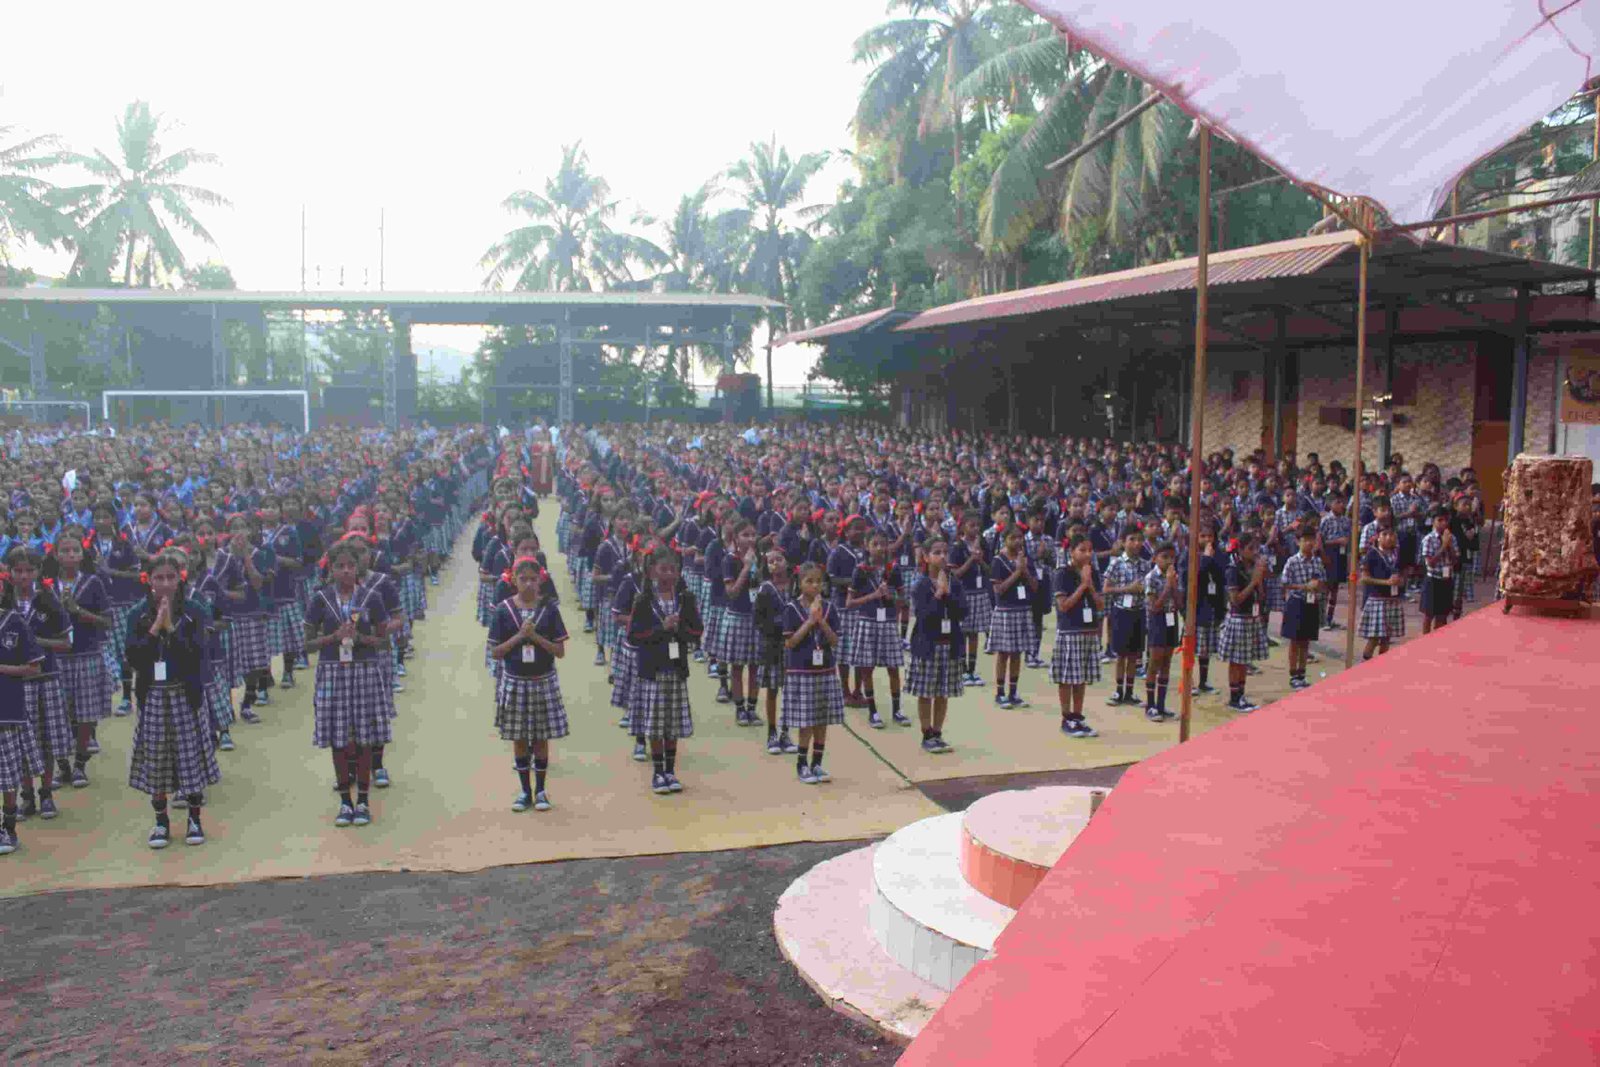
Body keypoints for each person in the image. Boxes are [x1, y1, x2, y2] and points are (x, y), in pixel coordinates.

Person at [124, 549, 219, 849]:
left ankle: (194, 819)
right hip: (153, 693)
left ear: (180, 579)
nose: (165, 583)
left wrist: (172, 628)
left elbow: (198, 654)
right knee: (157, 758)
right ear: (149, 580)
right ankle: (161, 821)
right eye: (158, 578)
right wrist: (156, 628)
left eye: (170, 577)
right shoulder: (138, 613)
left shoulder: (194, 611)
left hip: (184, 692)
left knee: (189, 757)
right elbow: (134, 657)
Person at [303, 538, 391, 829]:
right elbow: (308, 644)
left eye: (350, 565)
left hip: (364, 670)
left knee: (364, 738)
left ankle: (363, 801)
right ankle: (344, 801)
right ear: (330, 569)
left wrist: (360, 638)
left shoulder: (371, 597)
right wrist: (334, 637)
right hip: (332, 671)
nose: (345, 571)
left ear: (358, 568)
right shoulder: (320, 599)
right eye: (339, 566)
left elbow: (384, 642)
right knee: (339, 740)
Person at [488, 556, 569, 813]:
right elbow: (496, 652)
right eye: (523, 579)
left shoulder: (549, 609)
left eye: (533, 579)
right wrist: (520, 636)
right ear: (513, 580)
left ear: (541, 580)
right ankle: (524, 791)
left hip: (543, 679)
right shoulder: (503, 610)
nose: (528, 584)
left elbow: (559, 651)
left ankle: (541, 790)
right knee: (520, 737)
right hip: (515, 681)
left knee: (541, 736)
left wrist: (534, 637)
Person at [627, 545, 702, 795]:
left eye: (672, 569)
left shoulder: (686, 599)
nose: (668, 574)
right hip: (653, 671)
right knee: (656, 724)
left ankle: (670, 770)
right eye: (663, 569)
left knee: (673, 723)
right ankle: (658, 772)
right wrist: (661, 629)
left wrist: (679, 630)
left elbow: (697, 630)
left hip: (676, 669)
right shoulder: (643, 600)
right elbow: (634, 635)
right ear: (651, 572)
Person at [53, 534, 115, 781]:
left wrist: (77, 611)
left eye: (75, 550)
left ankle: (80, 764)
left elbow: (107, 621)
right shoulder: (46, 585)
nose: (70, 555)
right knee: (57, 714)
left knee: (85, 714)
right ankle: (62, 766)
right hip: (57, 658)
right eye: (64, 550)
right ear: (55, 555)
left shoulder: (93, 582)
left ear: (82, 554)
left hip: (87, 654)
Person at [781, 562, 846, 784]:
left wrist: (821, 621)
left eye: (819, 581)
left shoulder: (830, 608)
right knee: (806, 720)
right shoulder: (791, 608)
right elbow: (790, 642)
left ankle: (817, 763)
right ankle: (801, 764)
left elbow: (835, 640)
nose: (815, 585)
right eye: (809, 581)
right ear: (800, 584)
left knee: (821, 719)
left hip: (825, 670)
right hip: (802, 671)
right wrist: (810, 621)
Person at [842, 528, 907, 727]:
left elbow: (903, 600)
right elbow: (849, 603)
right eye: (875, 544)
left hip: (888, 623)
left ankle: (897, 710)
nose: (880, 548)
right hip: (867, 622)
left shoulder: (894, 569)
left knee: (893, 668)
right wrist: (873, 596)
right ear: (867, 546)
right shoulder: (860, 570)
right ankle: (873, 712)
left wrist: (891, 597)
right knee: (867, 668)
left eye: (883, 544)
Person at [906, 537, 964, 753]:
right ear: (926, 557)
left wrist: (948, 594)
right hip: (928, 645)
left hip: (950, 643)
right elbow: (923, 616)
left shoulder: (954, 582)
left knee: (943, 691)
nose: (942, 556)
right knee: (926, 691)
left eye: (945, 552)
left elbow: (963, 611)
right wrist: (938, 594)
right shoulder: (920, 584)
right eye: (937, 552)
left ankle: (938, 733)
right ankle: (927, 733)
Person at [0, 596, 45, 855]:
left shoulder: (14, 621)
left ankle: (9, 828)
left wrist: (2, 668)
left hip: (7, 710)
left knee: (7, 776)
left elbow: (34, 667)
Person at [1050, 534, 1102, 737]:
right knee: (1067, 677)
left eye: (1090, 550)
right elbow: (1063, 606)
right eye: (1082, 550)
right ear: (1071, 552)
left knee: (1081, 678)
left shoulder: (1093, 572)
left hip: (1089, 630)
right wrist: (1082, 585)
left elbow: (1100, 604)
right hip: (1069, 632)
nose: (1087, 554)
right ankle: (1066, 718)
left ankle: (1078, 717)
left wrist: (1090, 584)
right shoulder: (1062, 573)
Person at [713, 520, 762, 726]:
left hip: (755, 618)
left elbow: (758, 587)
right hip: (737, 617)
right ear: (736, 538)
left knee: (755, 666)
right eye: (745, 535)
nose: (750, 539)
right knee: (737, 666)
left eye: (753, 535)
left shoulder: (759, 557)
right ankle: (740, 708)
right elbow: (731, 592)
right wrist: (747, 567)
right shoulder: (729, 560)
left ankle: (752, 708)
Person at [753, 548, 798, 755]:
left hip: (794, 645)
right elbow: (758, 620)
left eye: (779, 559)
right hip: (772, 645)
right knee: (772, 690)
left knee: (789, 691)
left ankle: (785, 733)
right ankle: (772, 733)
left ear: (787, 562)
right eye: (771, 561)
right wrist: (776, 628)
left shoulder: (796, 585)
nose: (775, 563)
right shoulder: (765, 589)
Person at [1217, 532, 1268, 712]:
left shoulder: (1253, 567)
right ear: (1240, 549)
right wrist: (1254, 582)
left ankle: (1241, 694)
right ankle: (1234, 697)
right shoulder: (1233, 569)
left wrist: (1259, 581)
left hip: (1251, 617)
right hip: (1238, 619)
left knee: (1245, 660)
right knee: (1236, 660)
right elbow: (1235, 600)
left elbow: (1261, 597)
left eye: (1257, 548)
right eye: (1250, 548)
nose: (1255, 552)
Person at [988, 524, 1037, 708]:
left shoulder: (1026, 559)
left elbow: (1035, 586)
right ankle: (1000, 693)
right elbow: (999, 590)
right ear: (1004, 539)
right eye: (1012, 538)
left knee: (1018, 652)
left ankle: (1013, 693)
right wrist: (1017, 572)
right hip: (1005, 612)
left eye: (1020, 537)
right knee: (1003, 653)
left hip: (1023, 610)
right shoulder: (997, 561)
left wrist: (1025, 570)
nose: (1017, 541)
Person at [1102, 525, 1147, 707]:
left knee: (1134, 655)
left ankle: (1129, 691)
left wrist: (1144, 590)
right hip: (1121, 612)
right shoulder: (1116, 563)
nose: (1136, 544)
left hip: (1138, 611)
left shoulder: (1144, 564)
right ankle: (1118, 690)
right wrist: (1128, 589)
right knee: (1121, 655)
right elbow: (1106, 589)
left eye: (1139, 540)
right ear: (1122, 542)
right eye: (1132, 540)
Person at [1280, 525, 1326, 689]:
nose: (1309, 543)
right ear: (1298, 541)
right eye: (1305, 540)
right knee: (1295, 641)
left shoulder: (1317, 562)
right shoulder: (1292, 561)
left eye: (1312, 540)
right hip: (1296, 602)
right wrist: (1303, 587)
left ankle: (1302, 673)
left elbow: (1323, 582)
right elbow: (1284, 583)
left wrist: (1318, 585)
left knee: (1306, 641)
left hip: (1311, 603)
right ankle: (1293, 675)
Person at [949, 515, 990, 686]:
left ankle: (971, 671)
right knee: (962, 633)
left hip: (980, 593)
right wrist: (971, 559)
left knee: (974, 634)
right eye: (972, 525)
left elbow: (990, 570)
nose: (976, 529)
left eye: (978, 525)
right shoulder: (957, 547)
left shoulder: (983, 545)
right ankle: (962, 670)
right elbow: (954, 574)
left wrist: (981, 561)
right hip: (963, 594)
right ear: (963, 527)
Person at [1142, 540, 1180, 722]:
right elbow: (1154, 607)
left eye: (1172, 557)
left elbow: (1179, 603)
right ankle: (1150, 705)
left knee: (1166, 662)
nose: (1169, 561)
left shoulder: (1174, 576)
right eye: (1165, 557)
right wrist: (1168, 586)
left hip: (1171, 619)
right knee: (1154, 662)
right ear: (1155, 558)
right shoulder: (1151, 577)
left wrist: (1174, 586)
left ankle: (1161, 705)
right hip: (1157, 621)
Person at [1359, 523, 1405, 657]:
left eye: (1391, 534)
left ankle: (1381, 663)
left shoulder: (1397, 554)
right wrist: (1385, 582)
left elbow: (1403, 573)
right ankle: (1366, 661)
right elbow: (1364, 578)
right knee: (1374, 638)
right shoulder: (1372, 554)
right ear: (1378, 537)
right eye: (1384, 534)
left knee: (1387, 638)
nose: (1389, 538)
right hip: (1377, 600)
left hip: (1393, 600)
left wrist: (1401, 581)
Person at [1419, 507, 1459, 635]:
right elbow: (1430, 562)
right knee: (1428, 614)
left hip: (1446, 579)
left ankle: (1438, 639)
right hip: (1433, 580)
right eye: (1440, 520)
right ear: (1433, 521)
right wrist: (1443, 546)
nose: (1443, 523)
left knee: (1442, 615)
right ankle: (1424, 640)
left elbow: (1455, 560)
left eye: (1446, 520)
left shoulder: (1452, 538)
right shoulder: (1428, 539)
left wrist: (1449, 546)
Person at [1318, 493, 1351, 628]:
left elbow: (1348, 538)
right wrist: (1337, 541)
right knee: (1326, 586)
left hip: (1341, 554)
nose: (1341, 505)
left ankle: (1330, 618)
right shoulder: (1326, 520)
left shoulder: (1346, 520)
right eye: (1338, 502)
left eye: (1343, 502)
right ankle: (1321, 618)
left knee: (1335, 588)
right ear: (1330, 504)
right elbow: (1321, 541)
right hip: (1329, 553)